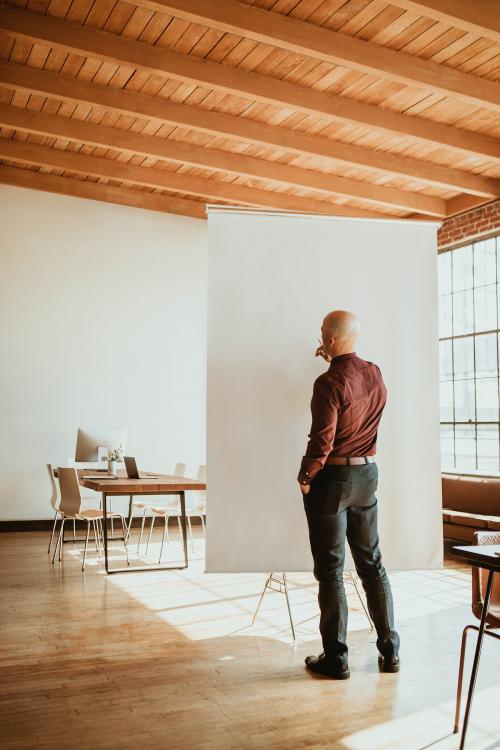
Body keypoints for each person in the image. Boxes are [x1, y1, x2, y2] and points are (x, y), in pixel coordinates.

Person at [298, 310, 400, 679]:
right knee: (373, 564)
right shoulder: (374, 372)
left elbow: (322, 440)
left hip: (333, 478)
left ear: (331, 340)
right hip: (367, 475)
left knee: (331, 570)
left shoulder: (328, 383)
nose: (320, 338)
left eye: (323, 333)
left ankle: (336, 659)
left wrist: (306, 476)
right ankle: (391, 653)